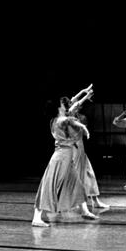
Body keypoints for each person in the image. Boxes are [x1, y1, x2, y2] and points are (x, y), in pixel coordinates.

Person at [32, 97, 96, 226]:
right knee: (49, 185)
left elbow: (72, 109)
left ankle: (84, 211)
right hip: (61, 158)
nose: (65, 104)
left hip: (67, 156)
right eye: (62, 103)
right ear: (58, 107)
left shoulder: (57, 118)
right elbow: (68, 120)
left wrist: (84, 95)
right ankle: (36, 218)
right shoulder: (59, 120)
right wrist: (84, 127)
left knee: (76, 183)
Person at [68, 84, 111, 211]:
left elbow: (74, 100)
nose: (76, 104)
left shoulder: (76, 116)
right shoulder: (68, 115)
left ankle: (95, 200)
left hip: (80, 148)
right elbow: (75, 103)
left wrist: (84, 91)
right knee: (77, 175)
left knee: (89, 173)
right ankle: (75, 201)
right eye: (73, 104)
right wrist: (86, 96)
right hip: (74, 149)